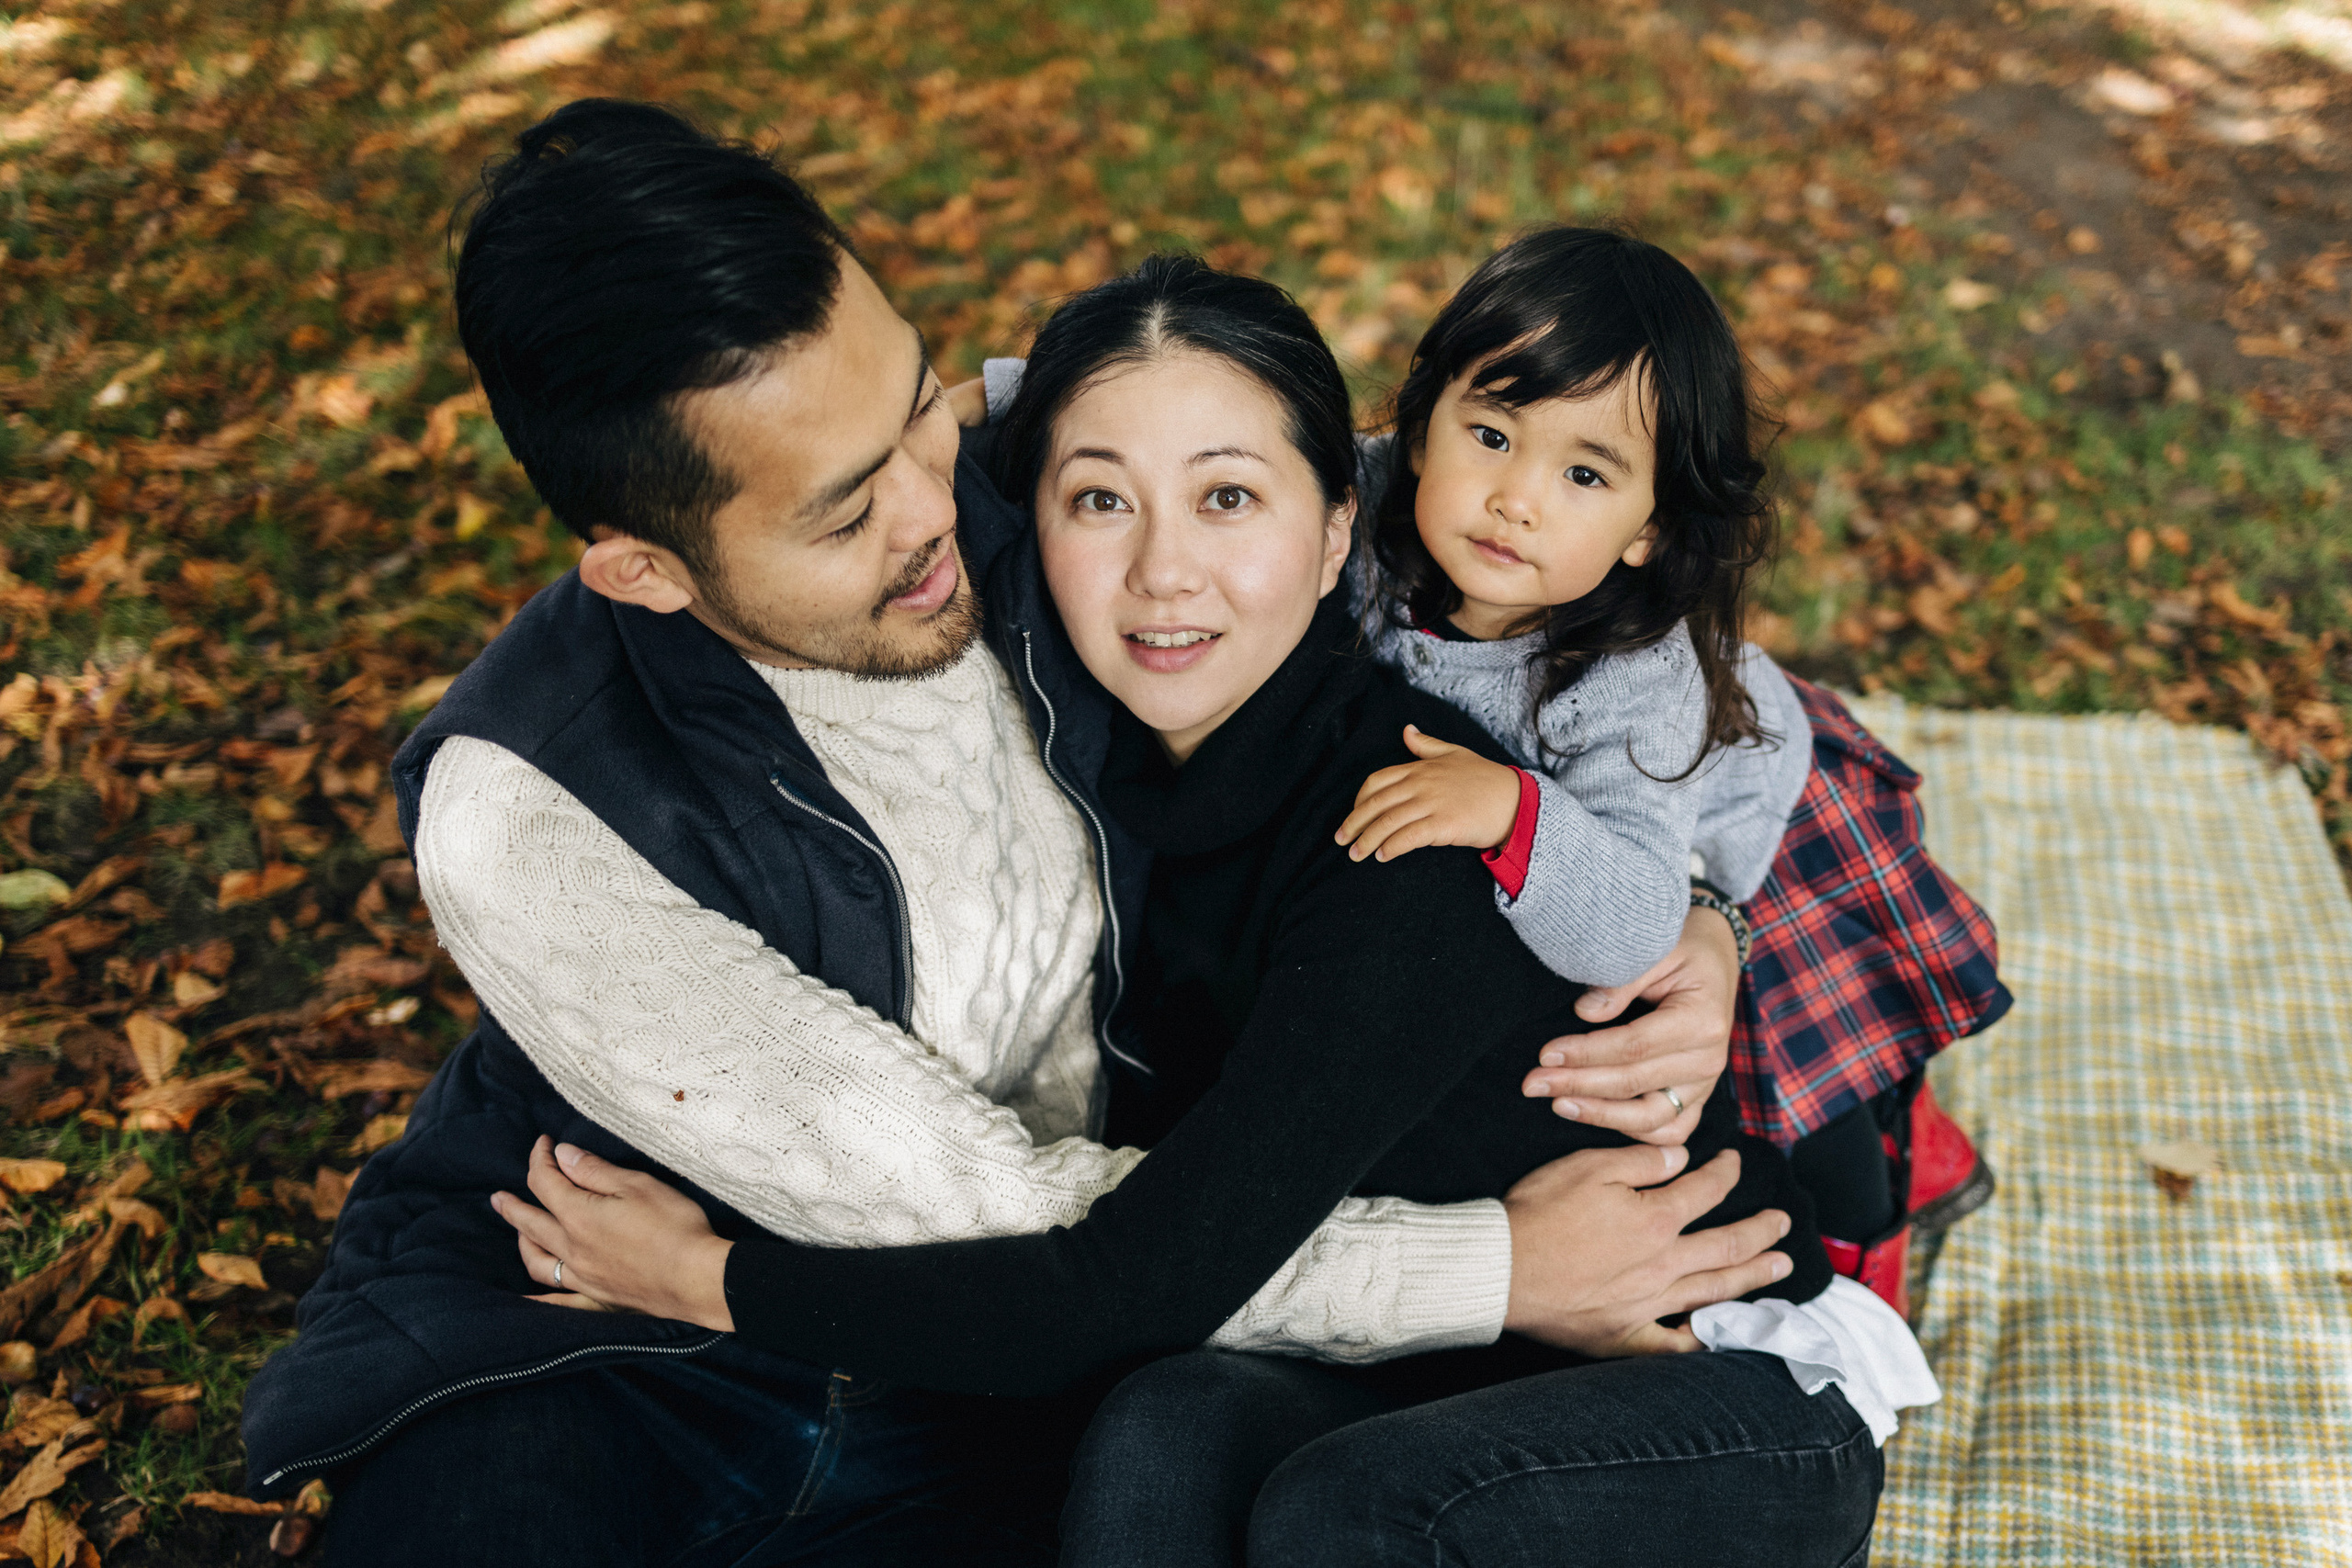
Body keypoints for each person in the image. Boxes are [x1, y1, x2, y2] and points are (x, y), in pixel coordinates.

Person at [237, 101, 1797, 1566]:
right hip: (625, 1323)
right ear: (645, 570)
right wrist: (1494, 1266)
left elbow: (1637, 639)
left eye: (925, 408)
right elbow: (1008, 1225)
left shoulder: (1083, 523)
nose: (939, 512)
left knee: (1193, 1469)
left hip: (1037, 1357)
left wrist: (1690, 905)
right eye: (848, 513)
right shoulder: (525, 813)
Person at [502, 255, 1937, 1567]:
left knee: (1346, 1510)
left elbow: (1121, 1282)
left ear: (1335, 535)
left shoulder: (1416, 841)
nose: (1164, 571)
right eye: (1101, 499)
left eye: (1230, 498)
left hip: (1704, 1375)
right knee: (1156, 1431)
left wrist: (712, 1279)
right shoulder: (1091, 756)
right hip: (1432, 1359)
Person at [1328, 227, 2014, 1307]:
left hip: (1759, 824)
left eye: (1585, 472)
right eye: (1493, 433)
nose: (1518, 497)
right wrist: (1001, 404)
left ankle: (1884, 1199)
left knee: (1806, 1077)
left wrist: (1511, 809)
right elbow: (1198, 418)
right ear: (1418, 432)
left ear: (1648, 531)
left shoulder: (1630, 674)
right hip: (1627, 826)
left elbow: (1633, 925)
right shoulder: (1355, 499)